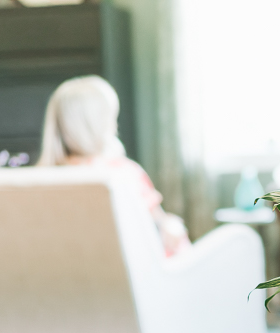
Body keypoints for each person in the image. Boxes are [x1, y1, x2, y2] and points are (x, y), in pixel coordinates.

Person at [37, 76, 190, 256]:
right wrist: (173, 226)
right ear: (100, 124)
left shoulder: (41, 180)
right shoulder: (124, 174)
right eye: (110, 116)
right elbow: (159, 226)